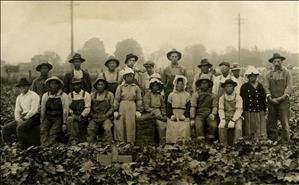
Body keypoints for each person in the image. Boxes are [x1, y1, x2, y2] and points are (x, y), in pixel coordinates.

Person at [2, 78, 40, 148]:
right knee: (5, 128)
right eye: (21, 87)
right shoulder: (19, 97)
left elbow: (34, 110)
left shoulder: (34, 95)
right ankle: (9, 146)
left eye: (25, 86)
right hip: (23, 116)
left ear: (28, 86)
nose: (22, 88)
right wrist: (18, 119)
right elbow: (17, 110)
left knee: (20, 128)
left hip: (34, 116)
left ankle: (23, 147)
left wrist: (25, 118)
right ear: (19, 88)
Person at [264, 53, 292, 143]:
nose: (276, 63)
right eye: (275, 61)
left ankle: (286, 140)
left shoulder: (287, 73)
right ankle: (273, 138)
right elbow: (266, 87)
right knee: (271, 120)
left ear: (282, 62)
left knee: (284, 120)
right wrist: (269, 97)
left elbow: (289, 87)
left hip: (283, 100)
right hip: (272, 100)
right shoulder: (268, 74)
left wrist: (281, 98)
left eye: (278, 61)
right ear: (272, 63)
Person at [114, 68, 143, 144]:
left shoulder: (136, 87)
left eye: (131, 76)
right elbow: (116, 99)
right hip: (122, 106)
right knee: (120, 123)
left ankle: (130, 142)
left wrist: (138, 110)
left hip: (132, 106)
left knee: (130, 124)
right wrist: (115, 110)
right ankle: (120, 141)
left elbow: (139, 99)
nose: (129, 77)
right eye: (127, 76)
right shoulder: (120, 87)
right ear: (124, 77)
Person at [40, 76, 69, 146]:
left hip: (58, 118)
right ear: (49, 85)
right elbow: (43, 109)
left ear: (58, 85)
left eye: (55, 84)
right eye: (52, 84)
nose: (53, 86)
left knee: (53, 132)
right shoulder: (45, 95)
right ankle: (44, 145)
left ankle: (49, 146)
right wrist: (42, 120)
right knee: (43, 129)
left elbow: (65, 110)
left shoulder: (63, 95)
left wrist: (64, 123)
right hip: (48, 117)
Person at [240, 66, 267, 140]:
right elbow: (242, 99)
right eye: (250, 76)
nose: (252, 78)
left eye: (254, 76)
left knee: (260, 125)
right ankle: (250, 139)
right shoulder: (244, 86)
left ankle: (261, 139)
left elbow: (263, 98)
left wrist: (264, 109)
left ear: (256, 76)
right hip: (249, 109)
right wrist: (242, 110)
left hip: (259, 108)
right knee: (249, 126)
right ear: (248, 77)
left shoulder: (260, 86)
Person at [87, 77, 114, 144]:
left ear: (105, 86)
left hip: (106, 117)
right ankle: (91, 145)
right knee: (90, 128)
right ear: (96, 86)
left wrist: (106, 115)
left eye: (102, 84)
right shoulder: (92, 95)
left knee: (107, 128)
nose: (100, 86)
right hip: (95, 117)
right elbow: (89, 107)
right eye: (98, 85)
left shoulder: (109, 95)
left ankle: (107, 145)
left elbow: (112, 107)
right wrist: (92, 115)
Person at [190, 74, 218, 140]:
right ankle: (201, 143)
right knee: (199, 126)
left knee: (213, 125)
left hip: (209, 114)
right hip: (199, 115)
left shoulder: (213, 95)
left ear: (209, 84)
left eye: (206, 83)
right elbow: (193, 107)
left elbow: (214, 106)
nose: (204, 85)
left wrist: (213, 114)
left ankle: (210, 141)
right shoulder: (196, 95)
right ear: (199, 84)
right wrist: (192, 118)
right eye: (202, 83)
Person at [218, 79, 243, 145]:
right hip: (226, 116)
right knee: (221, 126)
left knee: (239, 128)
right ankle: (223, 145)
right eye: (227, 86)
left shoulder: (238, 97)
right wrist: (222, 119)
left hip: (236, 117)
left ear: (233, 87)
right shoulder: (222, 98)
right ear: (224, 88)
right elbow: (221, 109)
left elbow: (239, 110)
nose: (228, 88)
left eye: (230, 86)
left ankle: (237, 145)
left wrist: (233, 120)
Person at [143, 77, 167, 144]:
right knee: (159, 125)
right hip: (150, 113)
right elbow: (146, 106)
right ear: (151, 86)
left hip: (158, 112)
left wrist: (164, 114)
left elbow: (163, 106)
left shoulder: (159, 96)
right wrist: (153, 112)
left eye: (157, 86)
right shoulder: (148, 95)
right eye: (154, 86)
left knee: (164, 125)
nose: (155, 87)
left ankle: (162, 143)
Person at [67, 79, 91, 144]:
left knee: (82, 126)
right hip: (74, 114)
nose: (76, 86)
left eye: (78, 84)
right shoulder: (70, 95)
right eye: (75, 85)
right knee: (70, 119)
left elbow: (88, 107)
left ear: (81, 85)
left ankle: (81, 139)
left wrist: (82, 115)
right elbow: (68, 107)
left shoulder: (86, 94)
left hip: (83, 115)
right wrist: (72, 113)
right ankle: (73, 139)